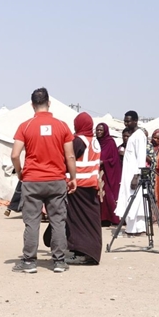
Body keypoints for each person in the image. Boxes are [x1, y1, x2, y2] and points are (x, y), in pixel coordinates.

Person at [10, 87, 77, 274]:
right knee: (58, 221)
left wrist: (20, 172)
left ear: (32, 105)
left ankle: (29, 261)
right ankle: (59, 261)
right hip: (56, 179)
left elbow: (15, 155)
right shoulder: (62, 126)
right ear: (49, 103)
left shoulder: (25, 126)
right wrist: (73, 177)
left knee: (32, 222)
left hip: (32, 180)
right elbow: (70, 156)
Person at [64, 112, 102, 265]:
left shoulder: (79, 141)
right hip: (91, 185)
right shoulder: (94, 141)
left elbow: (67, 158)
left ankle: (82, 252)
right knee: (90, 220)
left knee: (77, 221)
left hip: (78, 186)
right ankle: (90, 251)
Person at [115, 125, 148, 235]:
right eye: (125, 121)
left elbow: (141, 157)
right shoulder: (133, 136)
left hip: (134, 175)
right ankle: (133, 228)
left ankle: (138, 228)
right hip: (128, 174)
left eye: (128, 121)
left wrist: (136, 176)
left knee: (135, 201)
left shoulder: (139, 136)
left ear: (135, 121)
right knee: (130, 200)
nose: (126, 123)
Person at [96, 123, 121, 226]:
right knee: (97, 195)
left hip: (107, 173)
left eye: (101, 130)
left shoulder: (110, 142)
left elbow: (114, 159)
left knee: (107, 195)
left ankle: (111, 218)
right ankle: (100, 218)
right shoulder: (95, 142)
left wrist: (104, 162)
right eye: (97, 130)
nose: (99, 132)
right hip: (96, 172)